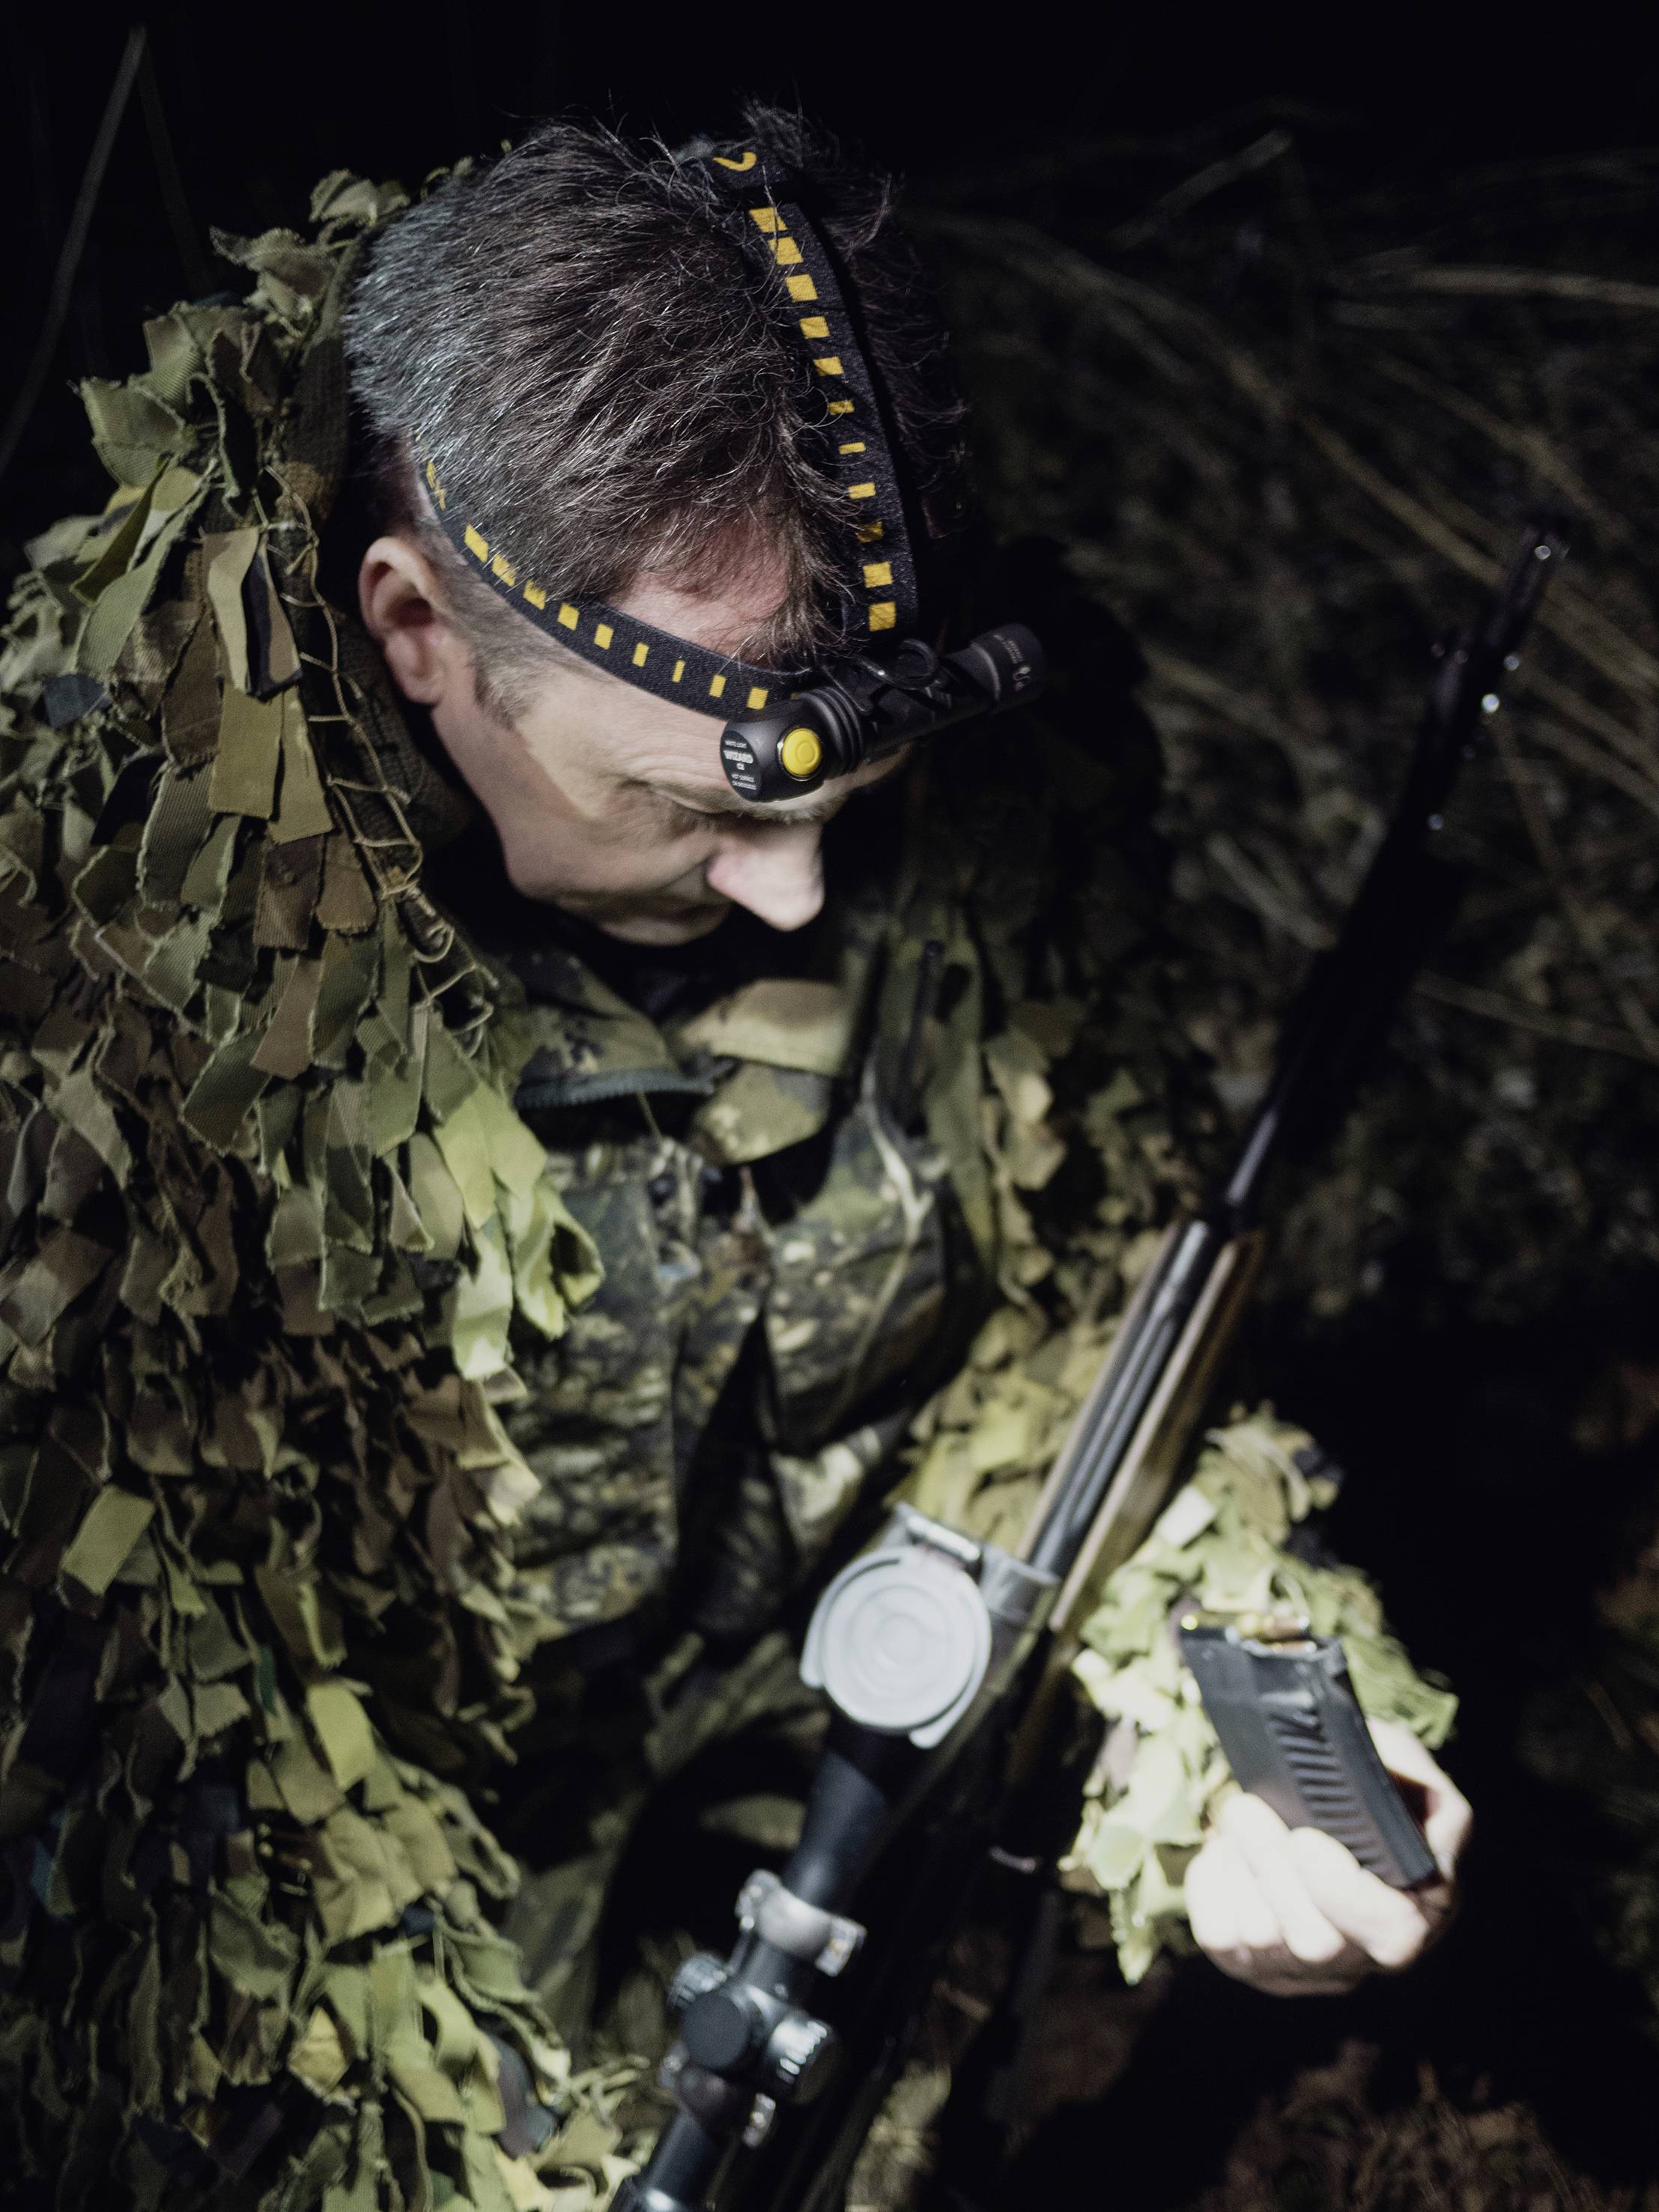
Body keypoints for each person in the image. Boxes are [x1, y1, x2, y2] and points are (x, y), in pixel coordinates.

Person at [0, 110, 1467, 2210]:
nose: (804, 897)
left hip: (833, 1803)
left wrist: (1224, 1724)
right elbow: (147, 1831)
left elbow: (1082, 1340)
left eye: (848, 799)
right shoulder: (107, 1012)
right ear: (416, 631)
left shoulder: (987, 821)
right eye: (702, 811)